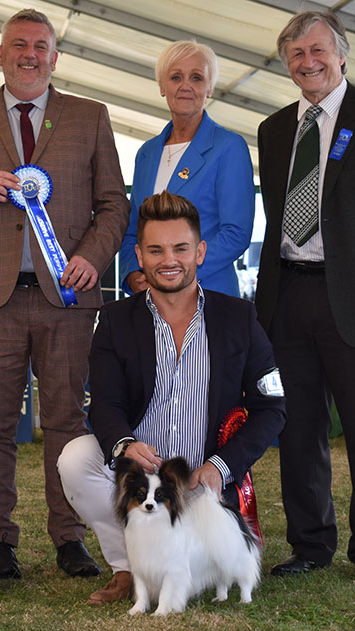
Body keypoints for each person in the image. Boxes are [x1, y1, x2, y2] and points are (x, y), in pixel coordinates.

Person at [0, 9, 129, 581]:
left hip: (66, 296)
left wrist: (90, 256)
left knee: (67, 420)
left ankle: (69, 538)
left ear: (55, 56)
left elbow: (114, 203)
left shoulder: (90, 116)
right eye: (19, 44)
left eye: (41, 45)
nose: (30, 54)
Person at [58, 190, 286, 604]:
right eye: (156, 250)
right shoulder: (113, 321)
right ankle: (129, 566)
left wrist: (220, 467)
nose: (169, 260)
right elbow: (105, 404)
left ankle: (184, 562)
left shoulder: (240, 318)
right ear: (140, 256)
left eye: (181, 248)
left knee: (206, 543)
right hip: (141, 479)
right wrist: (125, 444)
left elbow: (271, 409)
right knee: (74, 458)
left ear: (199, 251)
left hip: (202, 481)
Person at [255, 10, 355, 576]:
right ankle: (311, 546)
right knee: (298, 432)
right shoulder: (272, 129)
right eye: (296, 54)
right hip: (288, 295)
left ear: (341, 54)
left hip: (350, 297)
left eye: (318, 50)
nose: (308, 61)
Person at [119, 40, 255, 298]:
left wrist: (174, 274)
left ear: (210, 88)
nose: (185, 86)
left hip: (209, 294)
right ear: (162, 86)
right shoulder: (146, 154)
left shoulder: (229, 147)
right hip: (151, 299)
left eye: (196, 78)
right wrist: (132, 274)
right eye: (175, 77)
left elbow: (236, 233)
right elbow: (132, 230)